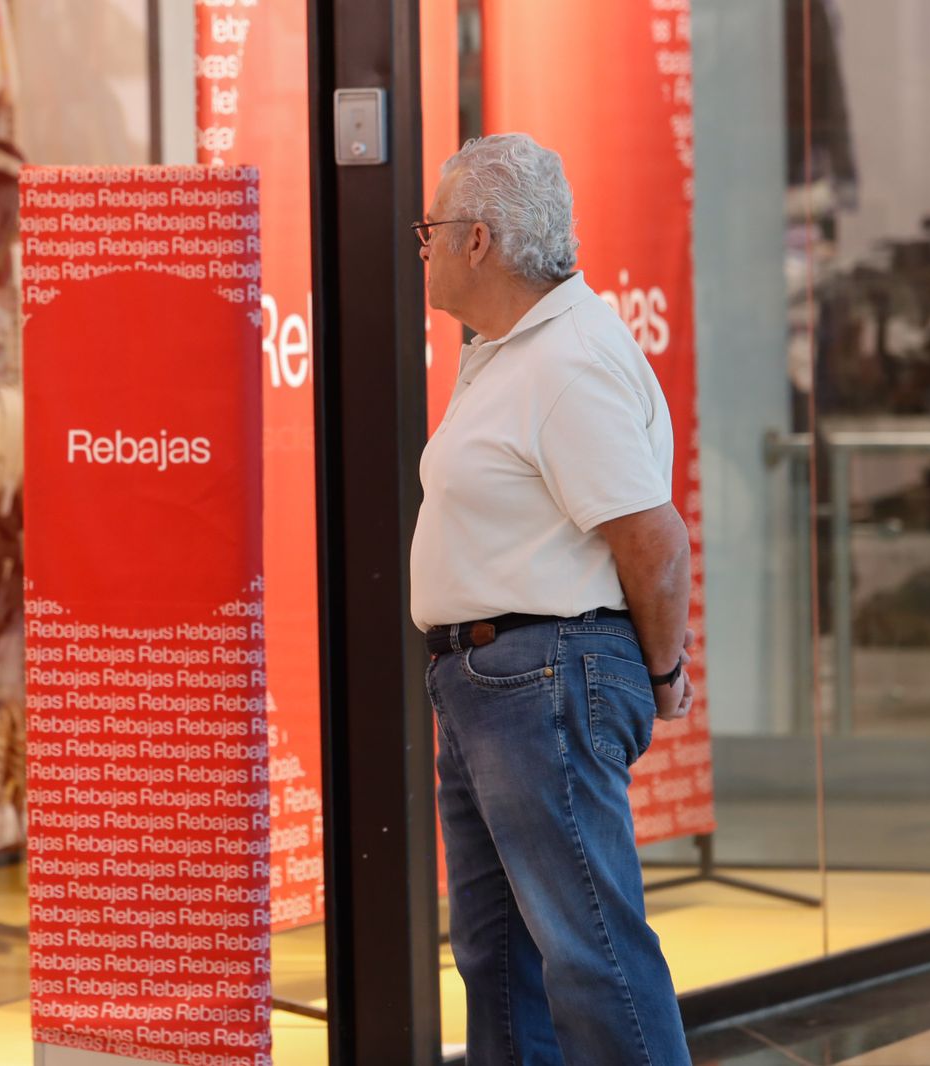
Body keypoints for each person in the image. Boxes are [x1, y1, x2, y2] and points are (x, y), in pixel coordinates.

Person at [411, 132, 695, 1065]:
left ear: (478, 240)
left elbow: (654, 542)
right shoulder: (509, 351)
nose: (422, 247)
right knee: (499, 960)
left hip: (543, 677)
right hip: (492, 683)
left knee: (591, 954)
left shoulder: (568, 360)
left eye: (430, 229)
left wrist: (664, 674)